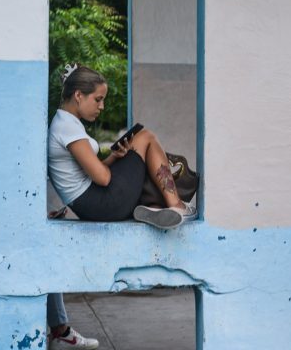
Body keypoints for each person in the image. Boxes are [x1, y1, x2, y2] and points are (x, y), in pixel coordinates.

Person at [48, 64, 196, 228]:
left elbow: (89, 173)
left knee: (135, 145)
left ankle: (154, 208)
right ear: (78, 95)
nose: (102, 107)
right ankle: (177, 206)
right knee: (145, 136)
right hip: (100, 204)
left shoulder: (64, 123)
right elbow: (103, 178)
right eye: (98, 99)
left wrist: (114, 158)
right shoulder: (67, 127)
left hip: (90, 204)